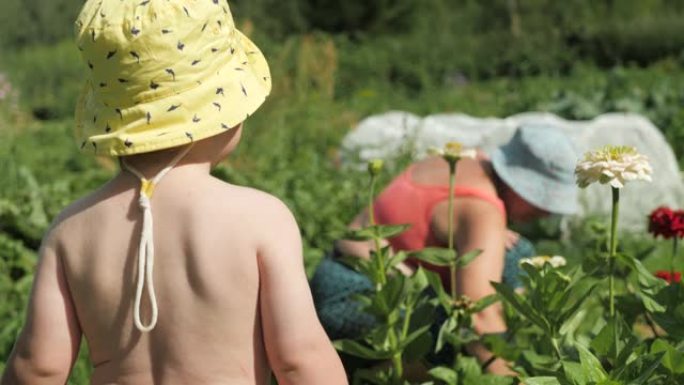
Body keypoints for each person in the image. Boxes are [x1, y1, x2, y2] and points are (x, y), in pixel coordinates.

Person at [1, 2, 347, 385]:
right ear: (220, 110)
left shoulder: (71, 230)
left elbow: (39, 367)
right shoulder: (260, 218)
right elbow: (300, 359)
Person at [311, 124, 578, 375]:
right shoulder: (482, 210)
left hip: (331, 273)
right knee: (449, 336)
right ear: (519, 187)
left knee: (518, 253)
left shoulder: (459, 162)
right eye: (542, 201)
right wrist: (510, 376)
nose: (545, 213)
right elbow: (478, 316)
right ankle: (367, 376)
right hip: (356, 299)